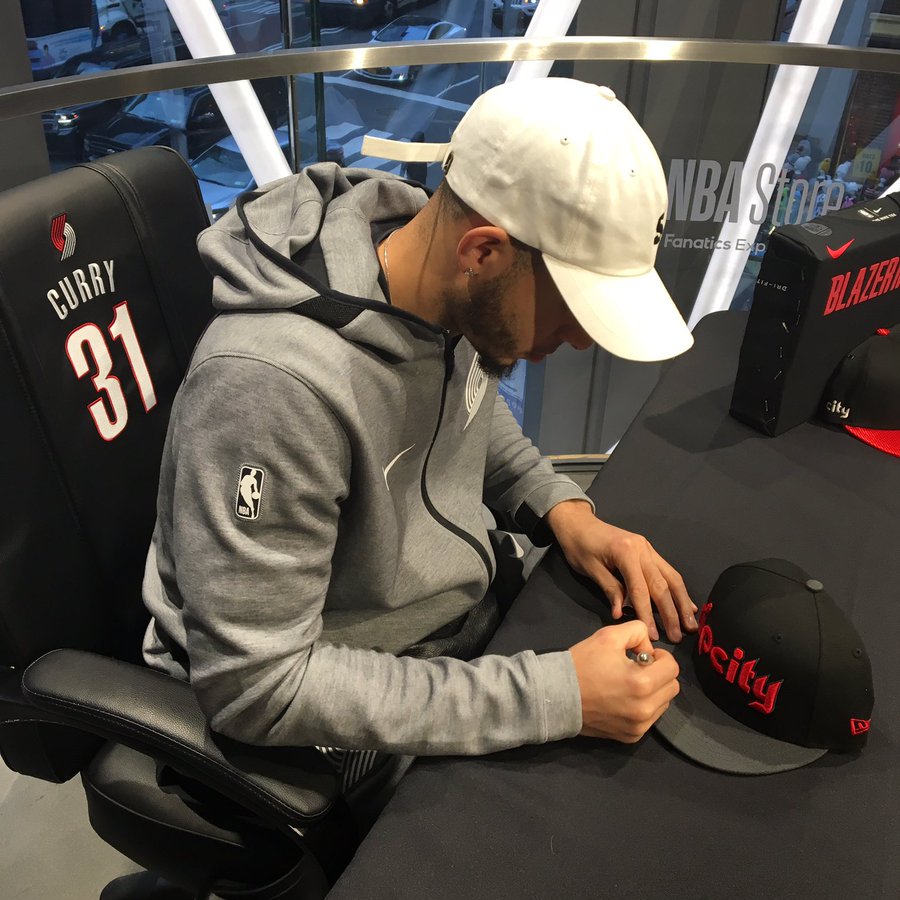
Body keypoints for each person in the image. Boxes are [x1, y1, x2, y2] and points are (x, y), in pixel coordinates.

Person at [142, 79, 694, 780]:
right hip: (325, 699)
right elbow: (256, 686)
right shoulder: (270, 387)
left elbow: (460, 411)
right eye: (571, 308)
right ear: (483, 252)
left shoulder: (440, 283)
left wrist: (563, 510)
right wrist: (553, 698)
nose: (582, 339)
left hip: (447, 625)